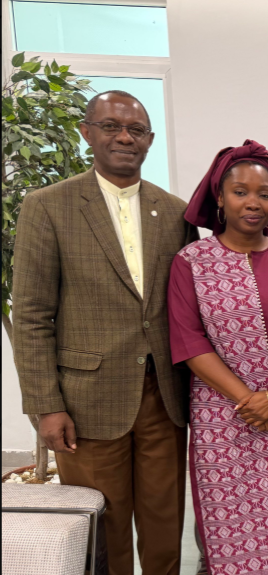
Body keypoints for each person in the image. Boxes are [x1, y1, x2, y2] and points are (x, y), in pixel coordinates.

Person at [12, 90, 195, 575]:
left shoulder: (176, 213)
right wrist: (45, 406)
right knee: (103, 527)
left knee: (163, 523)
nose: (123, 137)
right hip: (85, 402)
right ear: (86, 132)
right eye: (111, 125)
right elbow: (31, 315)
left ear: (149, 141)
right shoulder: (48, 206)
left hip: (164, 398)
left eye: (135, 130)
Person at [167, 140, 268, 575]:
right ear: (219, 196)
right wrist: (249, 400)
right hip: (221, 416)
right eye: (241, 192)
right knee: (228, 522)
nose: (253, 203)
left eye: (264, 194)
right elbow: (189, 340)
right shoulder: (191, 263)